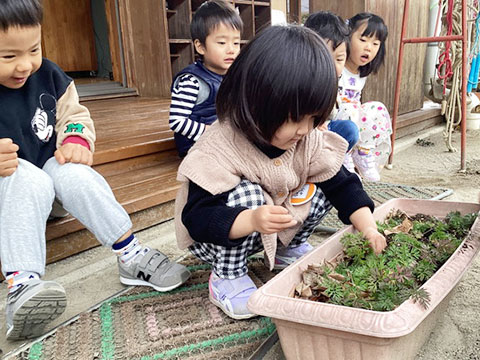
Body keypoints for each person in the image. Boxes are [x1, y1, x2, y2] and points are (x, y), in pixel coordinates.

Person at [0, 0, 190, 341]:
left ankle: (129, 252)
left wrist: (75, 139)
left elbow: (75, 116)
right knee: (25, 176)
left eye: (34, 49)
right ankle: (22, 284)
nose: (25, 65)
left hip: (50, 193)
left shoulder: (50, 77)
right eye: (8, 57)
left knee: (72, 172)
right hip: (10, 199)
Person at [174, 25, 387, 320]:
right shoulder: (221, 146)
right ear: (255, 101)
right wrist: (250, 219)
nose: (305, 129)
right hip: (215, 238)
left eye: (315, 118)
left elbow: (343, 183)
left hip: (273, 224)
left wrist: (369, 227)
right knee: (249, 196)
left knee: (322, 183)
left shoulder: (307, 138)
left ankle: (290, 246)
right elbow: (197, 218)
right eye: (297, 118)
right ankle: (227, 277)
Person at [168, 0, 243, 158]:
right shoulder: (191, 81)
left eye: (236, 43)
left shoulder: (232, 77)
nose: (231, 49)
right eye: (222, 42)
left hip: (223, 142)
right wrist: (210, 133)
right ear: (200, 46)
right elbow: (176, 121)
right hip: (197, 147)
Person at [338, 12, 392, 181]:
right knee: (351, 109)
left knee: (377, 109)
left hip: (354, 124)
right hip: (335, 124)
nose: (368, 47)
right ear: (347, 37)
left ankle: (363, 154)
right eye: (363, 40)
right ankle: (345, 157)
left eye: (375, 43)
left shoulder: (362, 73)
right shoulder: (338, 66)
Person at [304, 10, 359, 152]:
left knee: (349, 129)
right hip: (302, 131)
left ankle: (332, 161)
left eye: (339, 59)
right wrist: (313, 124)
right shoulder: (301, 80)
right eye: (325, 57)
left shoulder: (335, 83)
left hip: (324, 129)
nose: (332, 65)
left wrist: (323, 124)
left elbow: (332, 114)